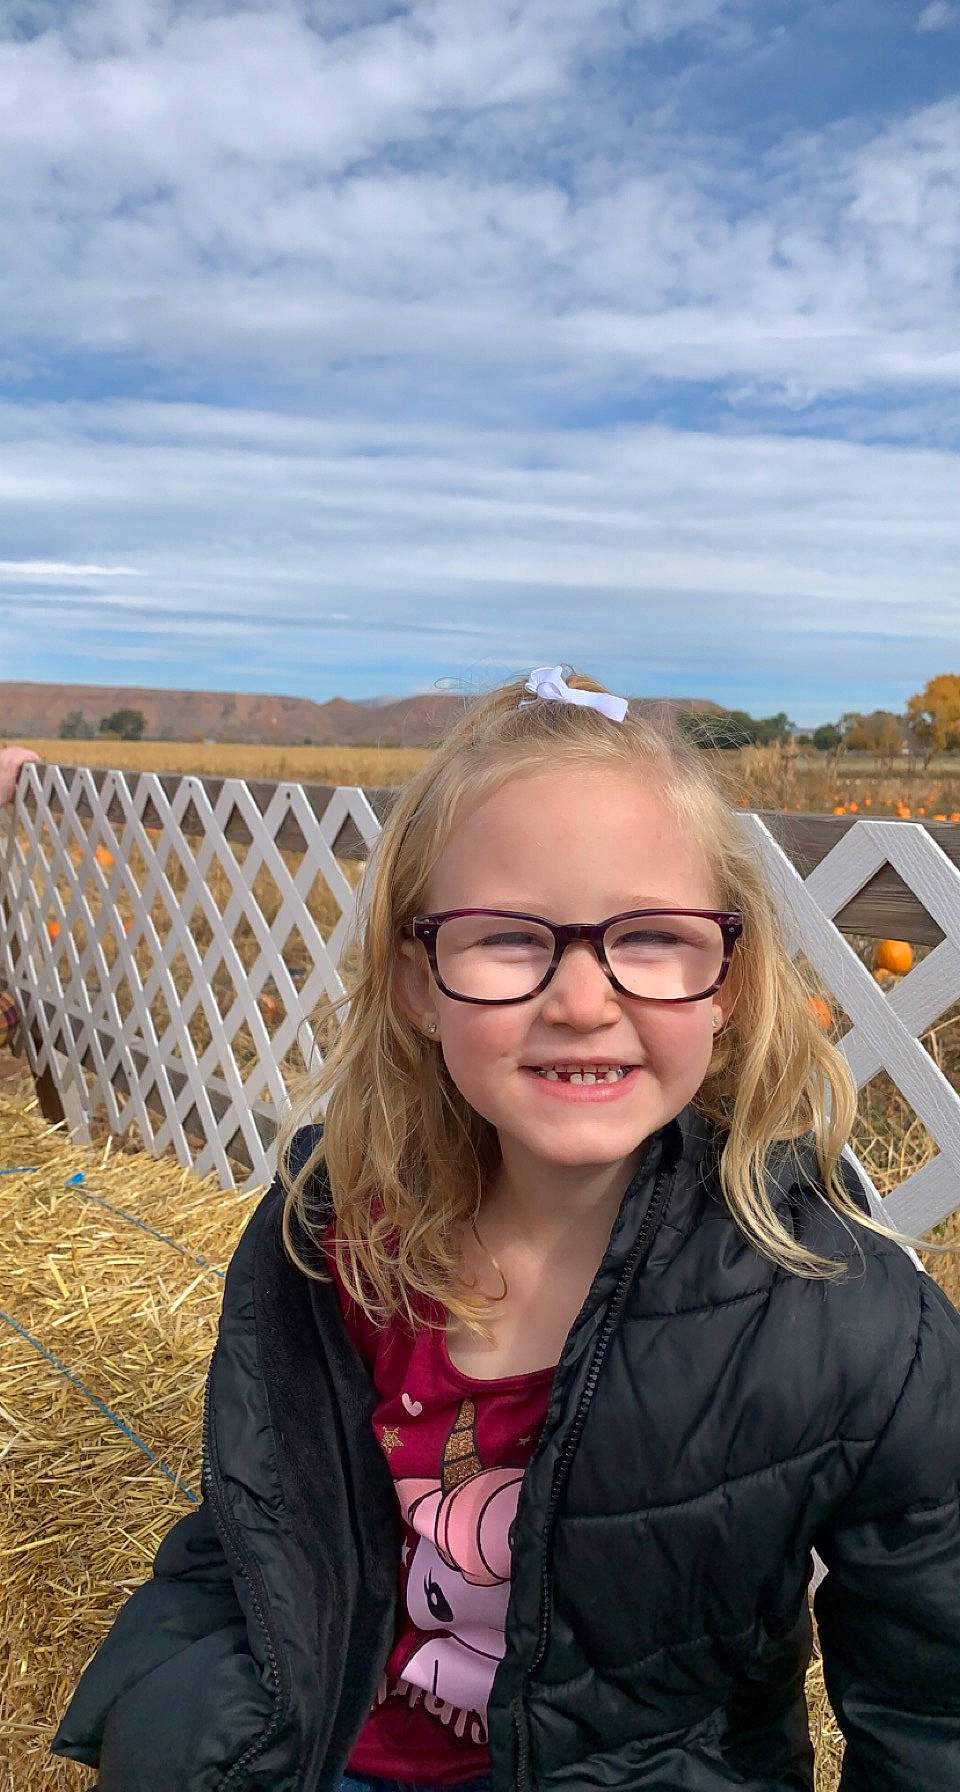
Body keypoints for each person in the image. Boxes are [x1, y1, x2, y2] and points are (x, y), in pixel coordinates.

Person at [52, 667, 960, 1792]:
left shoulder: (844, 1318)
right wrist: (173, 1713)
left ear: (728, 979)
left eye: (653, 935)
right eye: (508, 939)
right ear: (418, 983)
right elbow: (256, 1515)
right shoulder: (333, 1237)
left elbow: (934, 1698)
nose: (581, 1000)